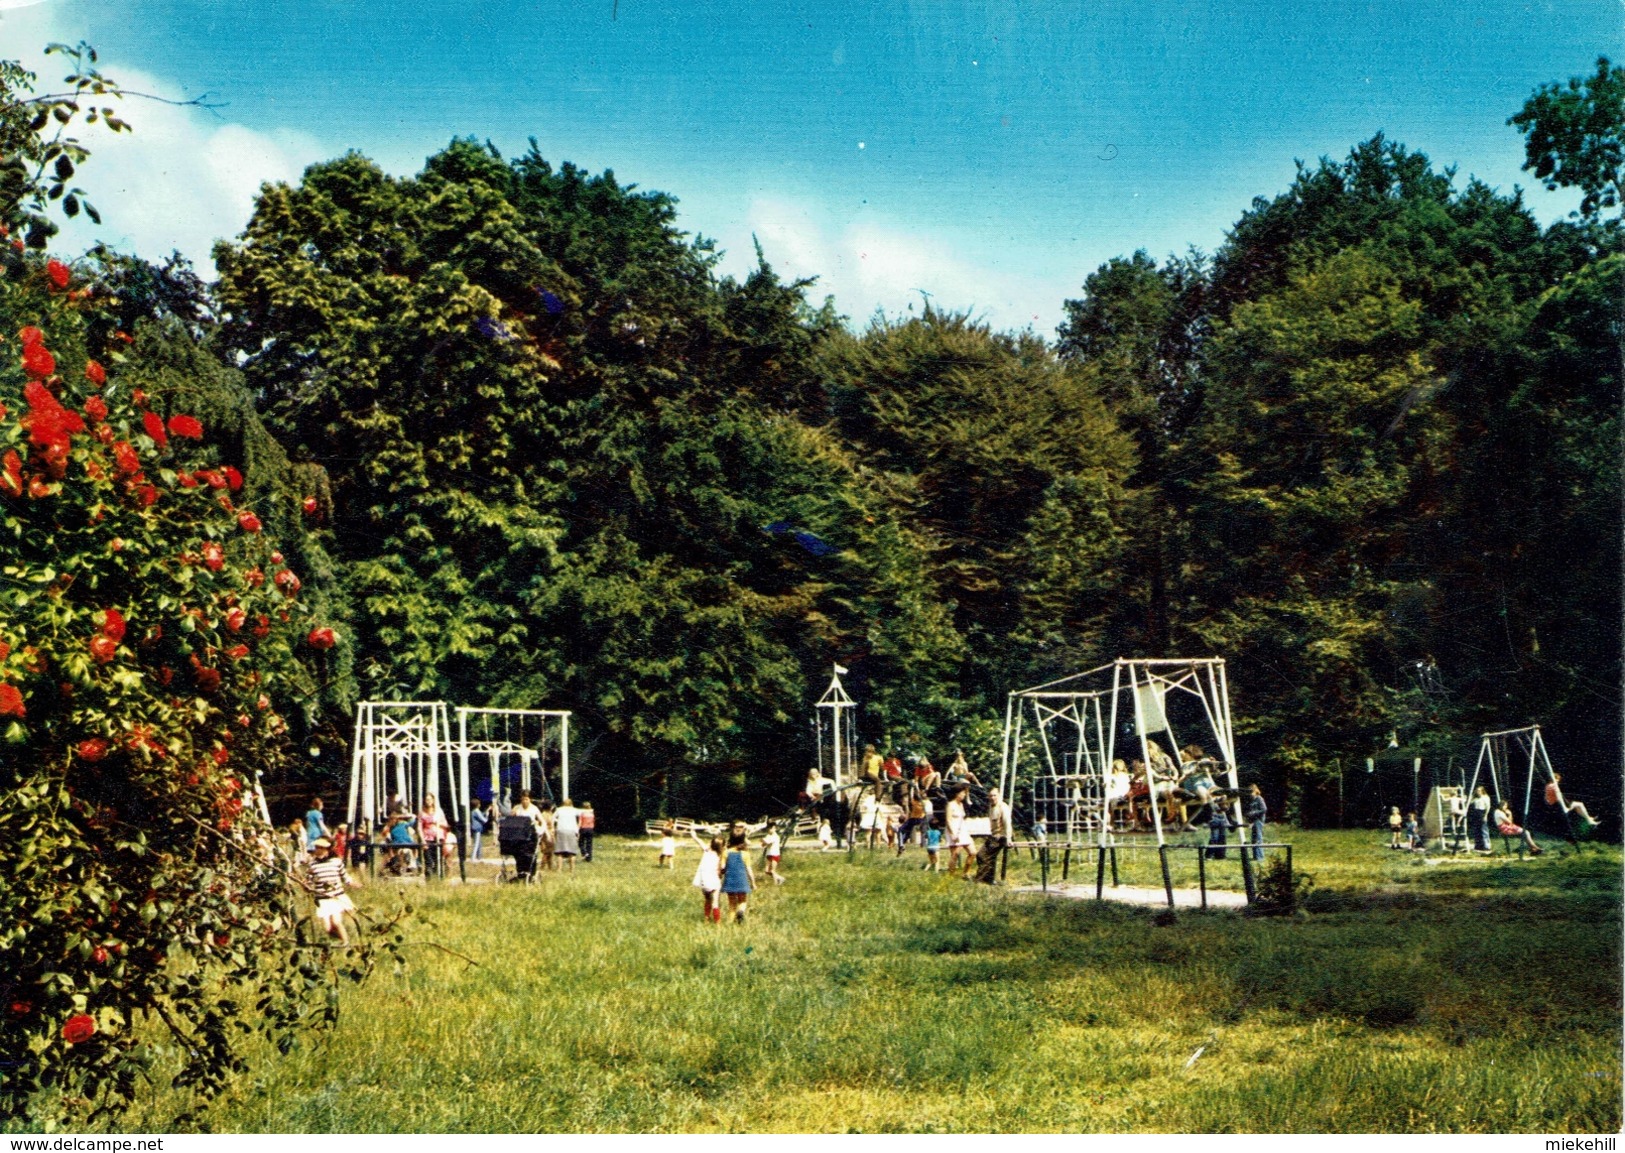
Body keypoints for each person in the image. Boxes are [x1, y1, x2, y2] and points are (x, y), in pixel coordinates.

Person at [306, 837, 358, 944]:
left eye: (321, 848)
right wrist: (306, 886)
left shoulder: (336, 862)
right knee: (327, 928)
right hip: (322, 899)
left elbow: (344, 876)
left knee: (336, 921)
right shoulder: (313, 865)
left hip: (336, 897)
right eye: (316, 848)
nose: (318, 850)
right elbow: (309, 882)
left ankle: (346, 942)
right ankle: (339, 940)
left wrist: (352, 883)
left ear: (327, 850)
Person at [973, 788, 1011, 883]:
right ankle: (989, 879)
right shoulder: (991, 806)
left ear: (998, 796)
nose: (992, 798)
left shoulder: (1003, 807)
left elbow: (1007, 823)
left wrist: (1008, 838)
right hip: (993, 835)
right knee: (980, 855)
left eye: (994, 795)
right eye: (990, 796)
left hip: (1001, 836)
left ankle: (979, 879)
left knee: (984, 856)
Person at [720, 831, 756, 924]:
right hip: (742, 880)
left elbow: (722, 867)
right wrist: (753, 883)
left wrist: (721, 874)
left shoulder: (726, 852)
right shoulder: (745, 854)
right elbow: (749, 870)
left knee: (732, 903)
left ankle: (730, 922)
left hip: (730, 881)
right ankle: (741, 911)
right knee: (742, 900)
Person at [691, 832, 724, 922]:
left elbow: (699, 841)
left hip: (704, 882)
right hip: (714, 881)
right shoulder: (720, 855)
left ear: (711, 843)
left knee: (707, 900)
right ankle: (717, 922)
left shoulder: (706, 850)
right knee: (715, 902)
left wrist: (694, 835)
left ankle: (706, 918)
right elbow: (722, 869)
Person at [945, 787, 972, 877]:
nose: (964, 795)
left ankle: (966, 872)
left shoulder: (961, 804)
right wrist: (952, 834)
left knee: (973, 852)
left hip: (962, 830)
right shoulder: (950, 805)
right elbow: (948, 820)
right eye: (963, 793)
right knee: (955, 853)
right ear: (957, 794)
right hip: (953, 830)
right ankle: (951, 875)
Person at [418, 796, 449, 875]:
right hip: (427, 838)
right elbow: (419, 828)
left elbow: (446, 824)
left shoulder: (438, 811)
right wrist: (423, 841)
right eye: (426, 799)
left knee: (438, 859)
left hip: (438, 837)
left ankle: (440, 877)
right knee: (429, 860)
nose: (428, 801)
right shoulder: (422, 813)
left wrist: (437, 823)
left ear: (433, 800)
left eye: (430, 799)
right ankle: (429, 879)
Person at [553, 797, 580, 874]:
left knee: (560, 852)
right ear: (571, 804)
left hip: (561, 830)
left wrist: (556, 823)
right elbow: (584, 812)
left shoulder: (559, 809)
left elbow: (553, 818)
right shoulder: (574, 810)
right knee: (572, 852)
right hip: (571, 831)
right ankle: (572, 870)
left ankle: (559, 870)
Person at [1243, 785, 1267, 861]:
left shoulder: (1259, 799)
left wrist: (1253, 813)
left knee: (1258, 838)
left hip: (1258, 820)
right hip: (1253, 821)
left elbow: (1264, 809)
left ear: (1255, 791)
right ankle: (1255, 856)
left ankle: (1260, 857)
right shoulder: (1252, 800)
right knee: (1254, 838)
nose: (1250, 794)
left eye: (1251, 792)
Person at [1469, 787, 1493, 853]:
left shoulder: (1485, 797)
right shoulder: (1475, 798)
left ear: (1482, 791)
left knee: (1484, 830)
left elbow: (1488, 807)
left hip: (1482, 812)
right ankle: (1479, 845)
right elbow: (1469, 802)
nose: (1478, 792)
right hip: (1476, 812)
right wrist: (1472, 795)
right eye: (1477, 790)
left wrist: (1485, 815)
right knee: (1477, 829)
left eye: (1479, 790)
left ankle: (1487, 846)